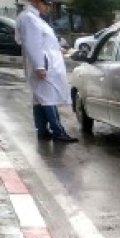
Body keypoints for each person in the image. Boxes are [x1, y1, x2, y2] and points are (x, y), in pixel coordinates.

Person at [15, 0, 78, 143]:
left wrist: (60, 50)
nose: (48, 8)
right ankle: (58, 131)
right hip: (43, 66)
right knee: (48, 99)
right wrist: (39, 66)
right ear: (37, 2)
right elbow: (33, 44)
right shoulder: (29, 19)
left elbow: (45, 42)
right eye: (46, 4)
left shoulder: (35, 19)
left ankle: (42, 130)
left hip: (45, 65)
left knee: (40, 99)